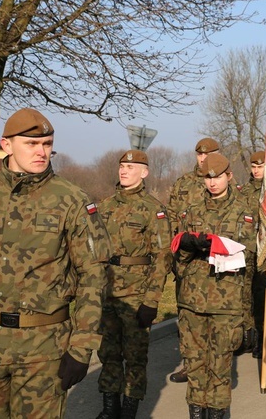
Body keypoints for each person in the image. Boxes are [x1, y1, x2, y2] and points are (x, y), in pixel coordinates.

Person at [0, 108, 111, 418]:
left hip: (44, 350)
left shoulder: (71, 201)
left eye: (47, 144)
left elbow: (93, 278)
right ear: (6, 145)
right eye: (31, 144)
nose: (41, 152)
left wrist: (82, 347)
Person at [172, 153, 257, 419]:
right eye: (207, 178)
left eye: (217, 177)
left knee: (220, 365)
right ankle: (196, 413)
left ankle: (218, 413)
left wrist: (247, 316)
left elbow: (248, 259)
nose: (212, 183)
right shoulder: (192, 211)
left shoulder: (244, 212)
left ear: (229, 176)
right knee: (195, 363)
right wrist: (188, 247)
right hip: (193, 300)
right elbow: (179, 260)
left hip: (226, 302)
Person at [95, 150, 172, 419]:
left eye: (130, 166)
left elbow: (163, 257)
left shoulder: (154, 210)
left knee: (135, 356)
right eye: (121, 166)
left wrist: (151, 301)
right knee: (108, 352)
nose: (123, 171)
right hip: (107, 292)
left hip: (137, 294)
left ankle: (130, 409)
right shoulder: (104, 207)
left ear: (144, 172)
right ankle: (109, 408)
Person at [167, 137, 221, 383]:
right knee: (187, 315)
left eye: (208, 154)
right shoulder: (183, 184)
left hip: (216, 260)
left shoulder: (222, 181)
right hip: (188, 260)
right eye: (199, 154)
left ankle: (212, 362)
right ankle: (190, 363)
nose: (203, 158)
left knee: (214, 315)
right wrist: (175, 254)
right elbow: (172, 219)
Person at [238, 150, 266, 357]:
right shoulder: (243, 192)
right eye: (254, 167)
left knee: (263, 297)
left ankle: (262, 339)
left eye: (261, 166)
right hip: (247, 250)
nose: (256, 171)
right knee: (244, 295)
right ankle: (248, 336)